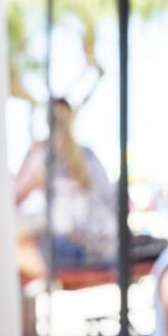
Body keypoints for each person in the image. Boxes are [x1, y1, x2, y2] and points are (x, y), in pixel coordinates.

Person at [14, 98, 116, 280]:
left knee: (9, 249)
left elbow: (16, 196)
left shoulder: (42, 154)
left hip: (67, 248)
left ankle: (43, 290)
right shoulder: (88, 154)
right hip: (103, 247)